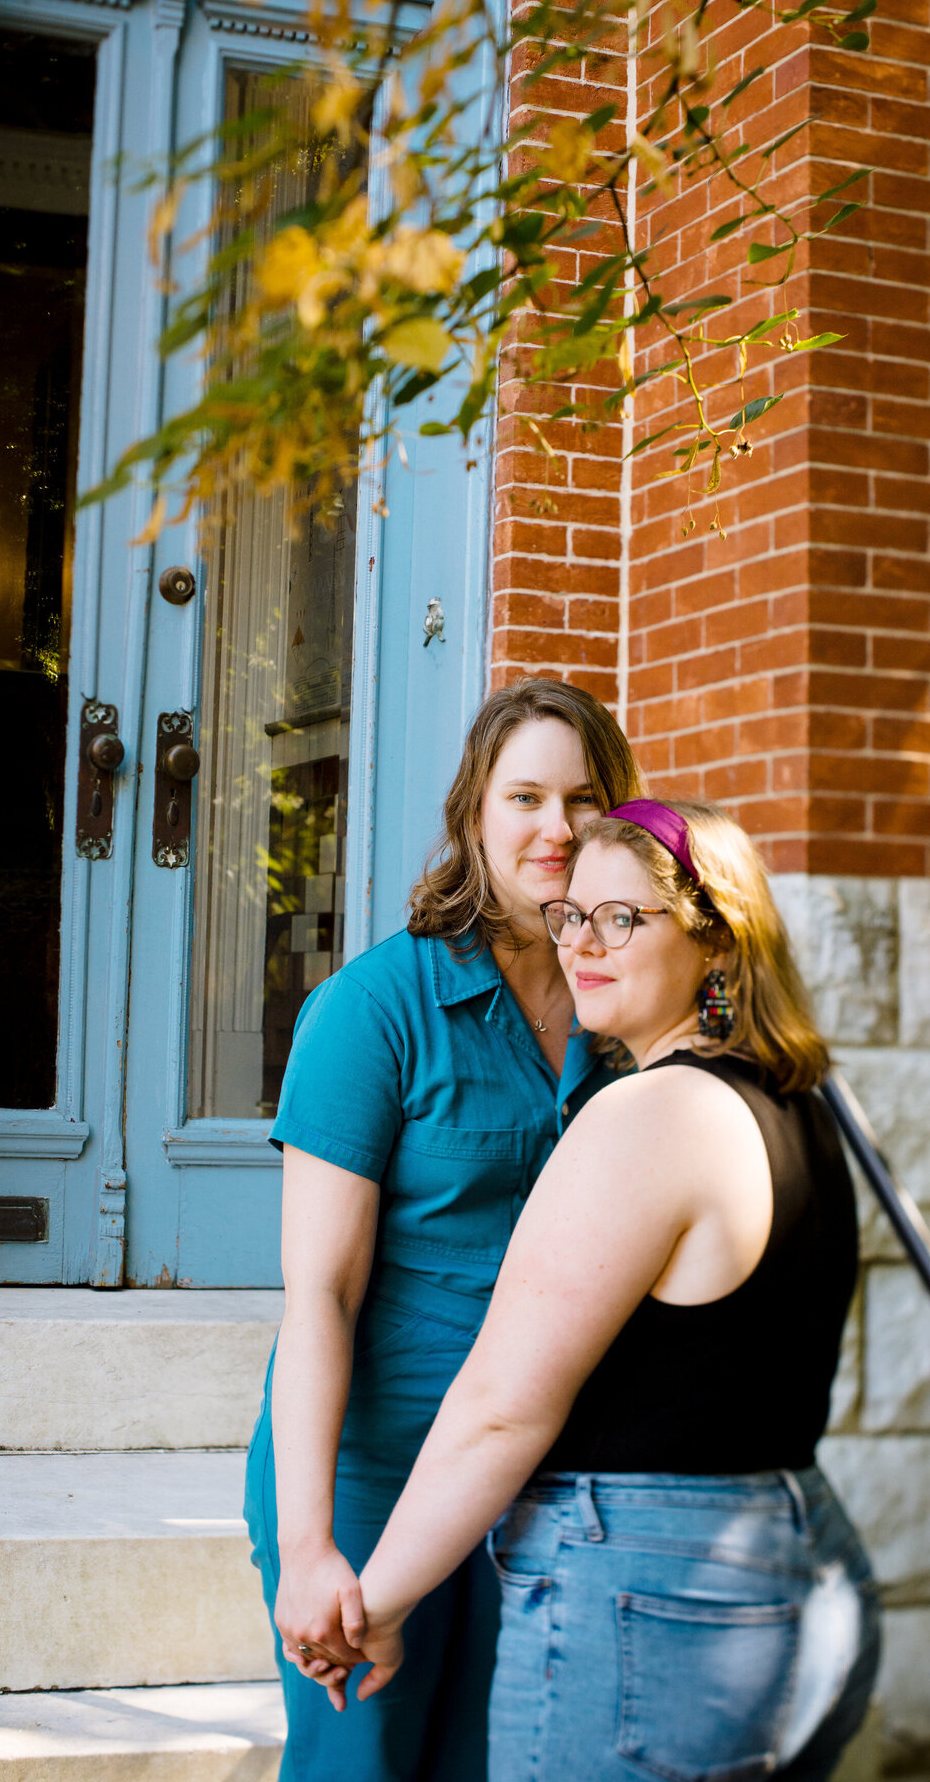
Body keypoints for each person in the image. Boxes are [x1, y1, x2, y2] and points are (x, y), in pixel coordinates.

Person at [303, 797, 881, 1782]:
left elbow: (500, 1407)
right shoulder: (799, 1112)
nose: (583, 944)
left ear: (716, 939)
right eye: (572, 915)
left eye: (623, 918)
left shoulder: (644, 1115)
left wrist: (381, 1600)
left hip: (650, 1596)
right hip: (803, 1563)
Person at [243, 677, 642, 1782]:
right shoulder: (375, 1009)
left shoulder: (620, 1011)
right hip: (376, 1476)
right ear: (477, 812)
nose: (556, 829)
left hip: (544, 1483)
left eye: (583, 799)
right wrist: (313, 1540)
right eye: (525, 797)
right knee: (362, 1766)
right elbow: (319, 1294)